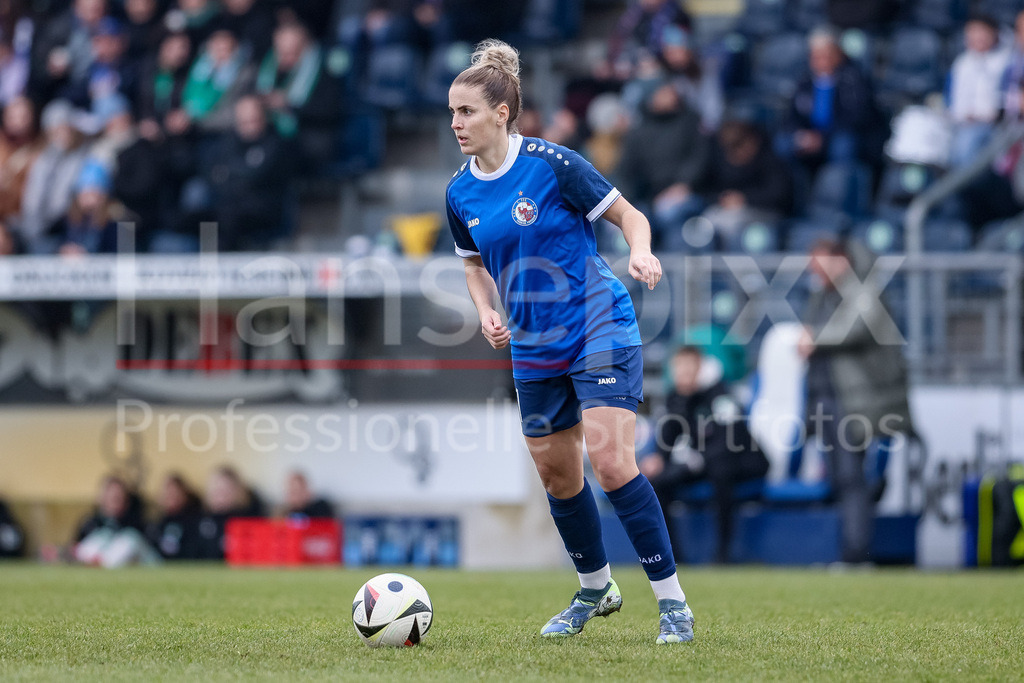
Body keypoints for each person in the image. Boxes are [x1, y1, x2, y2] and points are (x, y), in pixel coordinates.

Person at [445, 39, 694, 644]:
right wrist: (486, 310)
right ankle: (595, 589)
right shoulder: (459, 192)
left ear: (502, 112)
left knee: (610, 462)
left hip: (596, 323)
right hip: (533, 344)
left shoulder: (553, 164)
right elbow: (473, 264)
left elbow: (630, 215)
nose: (456, 123)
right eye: (452, 112)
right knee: (557, 476)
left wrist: (640, 251)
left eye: (466, 111)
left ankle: (673, 605)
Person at [798, 238, 913, 564]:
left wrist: (815, 338)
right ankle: (850, 546)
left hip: (851, 403)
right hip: (827, 400)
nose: (814, 271)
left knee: (850, 478)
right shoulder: (823, 296)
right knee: (840, 478)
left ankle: (856, 552)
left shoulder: (863, 291)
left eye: (820, 262)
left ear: (841, 260)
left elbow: (856, 328)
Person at [641, 346, 768, 564]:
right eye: (678, 369)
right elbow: (670, 432)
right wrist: (659, 458)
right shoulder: (677, 397)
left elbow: (730, 440)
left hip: (743, 461)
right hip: (704, 461)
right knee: (658, 482)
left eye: (687, 369)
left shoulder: (721, 394)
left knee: (721, 472)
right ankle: (671, 555)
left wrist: (696, 461)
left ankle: (723, 554)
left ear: (699, 368)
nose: (682, 375)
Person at [615, 78, 709, 252]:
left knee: (670, 214)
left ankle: (674, 268)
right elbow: (626, 171)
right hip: (648, 197)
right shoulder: (639, 131)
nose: (671, 95)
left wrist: (683, 185)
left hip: (687, 193)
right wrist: (625, 203)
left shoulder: (690, 121)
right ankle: (634, 269)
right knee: (627, 222)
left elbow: (699, 158)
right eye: (664, 91)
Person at [777, 27, 878, 172]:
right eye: (816, 56)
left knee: (843, 145)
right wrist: (802, 133)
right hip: (810, 134)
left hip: (838, 135)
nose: (821, 61)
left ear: (838, 54)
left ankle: (839, 184)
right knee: (783, 143)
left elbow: (857, 117)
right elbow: (792, 115)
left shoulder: (853, 79)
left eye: (826, 55)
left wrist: (823, 138)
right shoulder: (804, 81)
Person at [948, 15, 1009, 168]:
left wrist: (986, 115)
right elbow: (954, 99)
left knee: (967, 145)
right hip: (962, 122)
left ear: (994, 33)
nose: (976, 37)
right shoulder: (962, 63)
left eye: (981, 32)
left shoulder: (1006, 61)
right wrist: (963, 115)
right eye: (971, 32)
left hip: (996, 125)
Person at [73, 474, 159, 567]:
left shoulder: (136, 520)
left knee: (131, 538)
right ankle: (99, 563)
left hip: (143, 561)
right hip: (103, 558)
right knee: (101, 537)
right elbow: (78, 546)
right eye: (111, 497)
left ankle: (102, 563)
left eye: (118, 498)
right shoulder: (92, 522)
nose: (114, 502)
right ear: (102, 499)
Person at [195, 465, 265, 560]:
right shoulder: (201, 519)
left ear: (238, 492)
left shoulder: (250, 519)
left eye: (226, 491)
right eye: (217, 491)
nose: (221, 497)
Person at [147, 473, 203, 560]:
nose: (171, 497)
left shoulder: (194, 521)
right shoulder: (155, 523)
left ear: (184, 495)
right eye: (167, 493)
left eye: (174, 493)